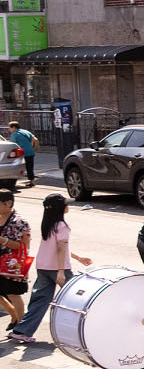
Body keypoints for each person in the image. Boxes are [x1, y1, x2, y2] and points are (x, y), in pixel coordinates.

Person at [6, 192, 91, 343]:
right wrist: (61, 271)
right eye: (66, 204)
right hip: (58, 268)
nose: (68, 206)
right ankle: (84, 330)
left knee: (40, 300)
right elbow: (60, 248)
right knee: (78, 299)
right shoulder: (62, 226)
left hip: (43, 266)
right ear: (60, 208)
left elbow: (59, 247)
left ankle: (21, 331)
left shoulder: (48, 224)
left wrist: (78, 258)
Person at [0, 190, 32, 330]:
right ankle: (13, 314)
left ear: (8, 203)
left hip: (12, 264)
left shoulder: (19, 222)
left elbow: (24, 247)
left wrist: (3, 241)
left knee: (13, 294)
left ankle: (20, 325)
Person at [7, 121, 36, 185]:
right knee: (30, 167)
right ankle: (32, 181)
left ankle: (13, 181)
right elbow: (35, 139)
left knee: (17, 167)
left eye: (9, 128)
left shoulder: (14, 134)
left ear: (14, 127)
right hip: (30, 152)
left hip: (21, 154)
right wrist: (32, 147)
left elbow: (12, 145)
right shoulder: (26, 131)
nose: (9, 129)